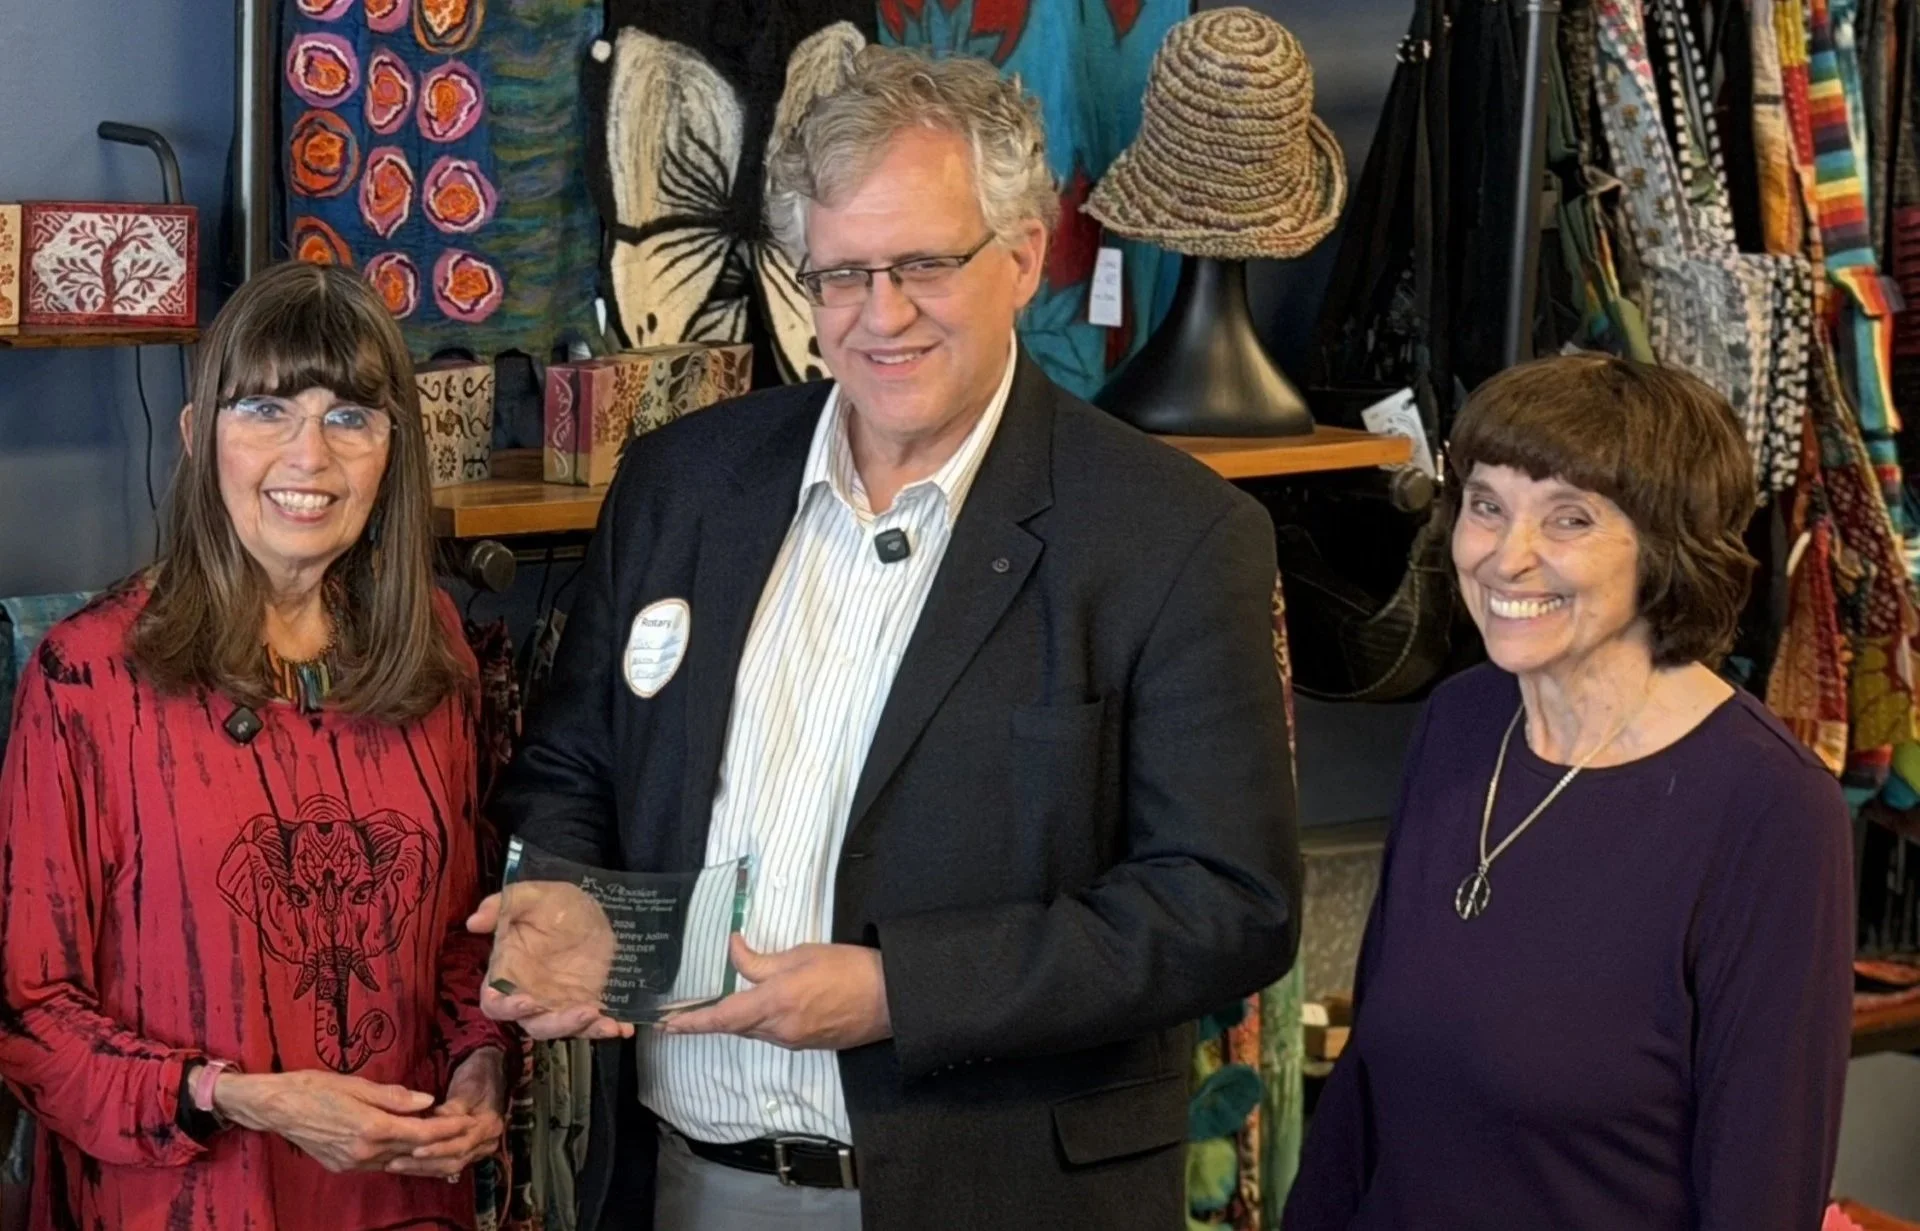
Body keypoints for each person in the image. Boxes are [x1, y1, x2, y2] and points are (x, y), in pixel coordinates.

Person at [474, 45, 1301, 1231]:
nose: (882, 314)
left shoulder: (1169, 532)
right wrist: (558, 888)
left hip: (996, 1199)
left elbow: (1227, 903)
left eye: (923, 264)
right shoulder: (680, 485)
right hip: (681, 1184)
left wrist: (898, 991)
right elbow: (570, 765)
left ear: (1023, 257)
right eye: (843, 273)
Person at [1282, 354, 1854, 1230]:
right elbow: (1363, 1099)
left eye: (1569, 518)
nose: (1506, 557)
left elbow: (1763, 1190)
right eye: (1486, 505)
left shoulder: (1769, 808)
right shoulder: (1460, 721)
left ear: (1666, 544)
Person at [0, 261, 510, 1230]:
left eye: (349, 416)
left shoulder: (435, 653)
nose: (308, 456)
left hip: (398, 1201)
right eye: (266, 410)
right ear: (199, 437)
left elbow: (458, 941)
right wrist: (233, 1095)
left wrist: (480, 1063)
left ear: (393, 450)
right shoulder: (88, 679)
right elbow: (27, 1020)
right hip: (177, 1204)